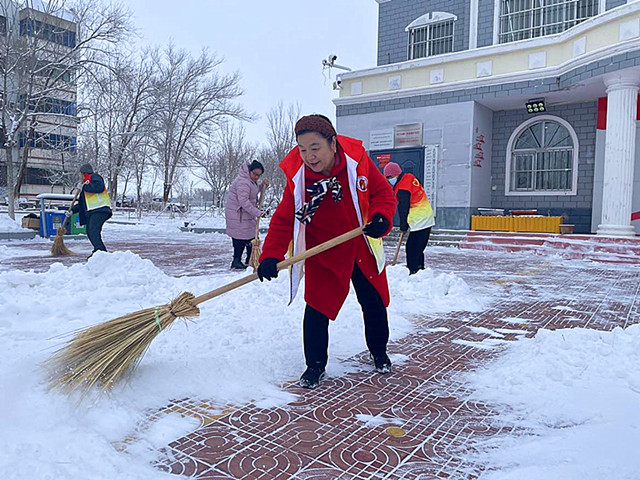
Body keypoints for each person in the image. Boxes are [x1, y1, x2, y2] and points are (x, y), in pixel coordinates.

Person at [257, 114, 397, 389]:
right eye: (302, 149)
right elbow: (285, 218)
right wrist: (271, 254)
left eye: (315, 147)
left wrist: (380, 217)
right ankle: (315, 365)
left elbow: (383, 194)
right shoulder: (298, 177)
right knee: (317, 307)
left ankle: (379, 352)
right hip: (324, 249)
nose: (309, 156)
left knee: (373, 301)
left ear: (333, 143)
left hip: (360, 243)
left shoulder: (357, 163)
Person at [383, 162, 435, 275]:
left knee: (412, 248)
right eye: (387, 178)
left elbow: (403, 208)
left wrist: (403, 226)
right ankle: (420, 270)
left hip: (419, 219)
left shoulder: (402, 188)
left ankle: (414, 271)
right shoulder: (409, 178)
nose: (388, 180)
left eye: (390, 177)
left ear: (396, 174)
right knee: (418, 247)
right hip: (426, 216)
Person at [225, 160, 269, 270]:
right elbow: (243, 202)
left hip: (245, 215)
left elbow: (253, 190)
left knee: (251, 237)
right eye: (255, 174)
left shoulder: (250, 181)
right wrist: (257, 212)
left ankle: (250, 259)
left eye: (259, 176)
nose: (256, 177)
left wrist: (262, 185)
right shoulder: (243, 182)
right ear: (249, 171)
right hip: (238, 214)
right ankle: (236, 261)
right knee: (240, 238)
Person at [70, 163, 112, 255]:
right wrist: (72, 211)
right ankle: (98, 251)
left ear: (84, 173)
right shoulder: (86, 185)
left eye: (80, 173)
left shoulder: (94, 177)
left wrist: (84, 187)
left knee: (93, 231)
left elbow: (99, 187)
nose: (79, 176)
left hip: (100, 209)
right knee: (90, 231)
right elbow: (82, 204)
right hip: (94, 211)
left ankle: (101, 252)